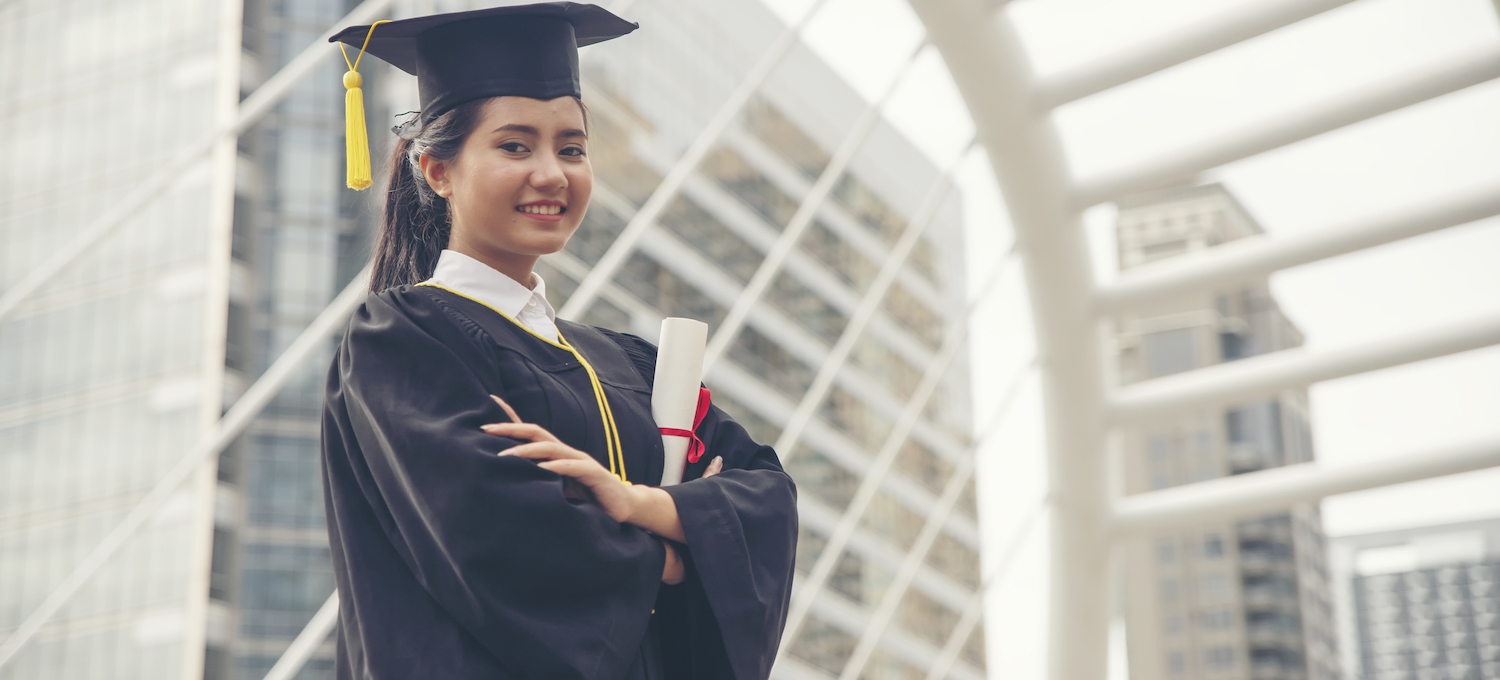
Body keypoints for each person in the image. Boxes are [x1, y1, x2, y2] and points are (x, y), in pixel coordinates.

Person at [319, 4, 799, 679]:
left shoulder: (632, 365)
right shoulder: (405, 342)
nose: (552, 173)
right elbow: (497, 538)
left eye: (571, 148)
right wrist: (674, 552)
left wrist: (638, 503)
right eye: (515, 146)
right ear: (437, 170)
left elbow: (766, 497)